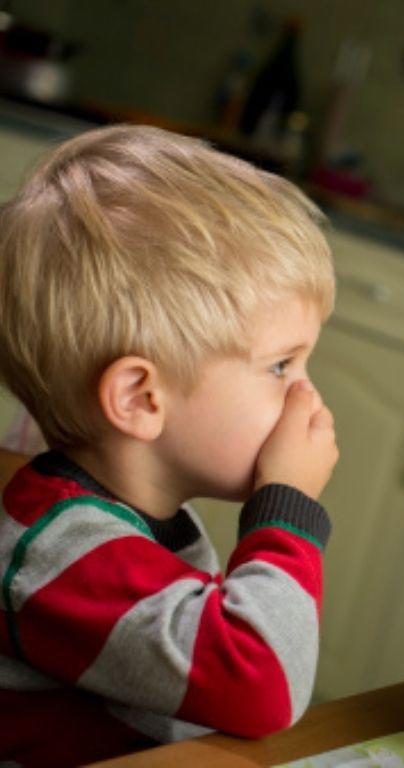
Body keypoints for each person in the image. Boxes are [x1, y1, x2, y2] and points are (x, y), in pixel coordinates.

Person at [0, 124, 339, 766]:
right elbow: (260, 683)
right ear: (140, 399)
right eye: (280, 367)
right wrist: (287, 507)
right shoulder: (62, 556)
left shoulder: (133, 522)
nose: (306, 399)